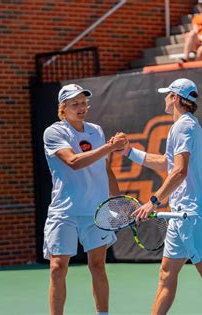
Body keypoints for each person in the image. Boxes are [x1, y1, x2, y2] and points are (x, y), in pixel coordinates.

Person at [115, 79, 202, 315]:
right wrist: (128, 152)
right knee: (166, 274)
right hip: (178, 215)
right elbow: (167, 163)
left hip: (189, 215)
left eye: (167, 94)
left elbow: (179, 171)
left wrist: (153, 201)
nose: (164, 98)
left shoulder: (184, 126)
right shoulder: (183, 126)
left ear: (174, 98)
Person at [42, 83, 126, 315]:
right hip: (64, 212)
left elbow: (105, 168)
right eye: (75, 104)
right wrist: (109, 147)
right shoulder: (54, 132)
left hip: (95, 211)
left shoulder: (96, 131)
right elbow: (74, 162)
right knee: (57, 268)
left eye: (83, 103)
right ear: (63, 108)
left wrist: (116, 201)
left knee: (98, 266)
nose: (81, 107)